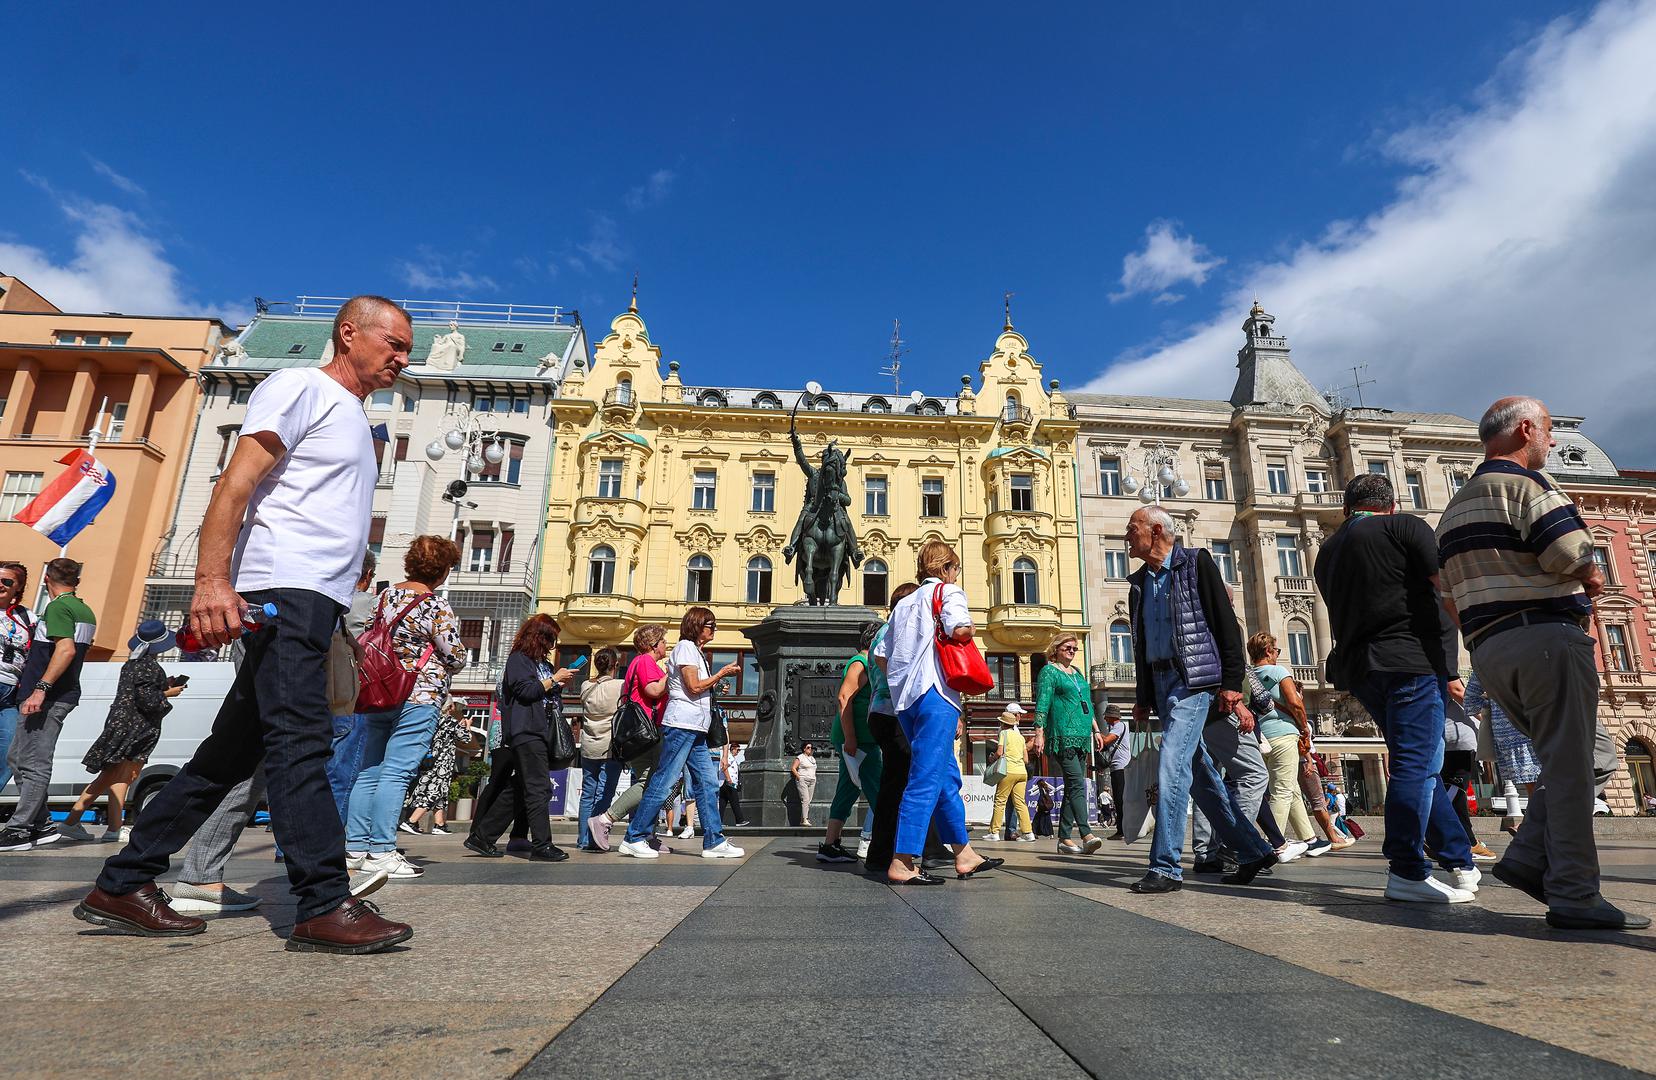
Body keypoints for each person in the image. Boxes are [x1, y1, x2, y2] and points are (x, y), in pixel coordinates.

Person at [78, 295, 415, 952]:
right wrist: (212, 580)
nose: (402, 357)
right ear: (349, 334)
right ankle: (322, 901)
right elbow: (234, 485)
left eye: (407, 348)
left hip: (313, 601)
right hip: (281, 590)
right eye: (393, 343)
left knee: (229, 755)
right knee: (301, 741)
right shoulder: (300, 388)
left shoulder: (353, 415)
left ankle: (122, 882)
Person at [1438, 396, 1647, 931]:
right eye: (1549, 432)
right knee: (1576, 767)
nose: (1552, 442)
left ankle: (1530, 853)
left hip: (1488, 648)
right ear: (1526, 429)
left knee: (1594, 754)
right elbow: (1580, 560)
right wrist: (1589, 584)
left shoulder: (1454, 506)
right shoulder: (1530, 487)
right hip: (1545, 637)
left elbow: (1443, 591)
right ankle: (1575, 893)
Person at [1316, 472, 1478, 904]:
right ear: (1390, 503)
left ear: (1348, 507)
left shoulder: (1327, 552)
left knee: (1420, 760)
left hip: (1361, 670)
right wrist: (1471, 649)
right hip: (1410, 660)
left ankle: (1459, 859)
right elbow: (1445, 589)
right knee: (1418, 765)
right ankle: (1407, 869)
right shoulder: (1405, 526)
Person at [1124, 507, 1278, 894]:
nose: (1128, 536)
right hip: (1160, 685)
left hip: (1193, 682)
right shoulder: (1139, 582)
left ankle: (1166, 867)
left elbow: (1225, 624)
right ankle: (1253, 849)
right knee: (1203, 780)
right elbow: (1139, 644)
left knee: (1172, 766)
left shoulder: (1196, 563)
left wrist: (1231, 682)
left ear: (1156, 531)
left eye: (1133, 529)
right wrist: (1144, 696)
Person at [873, 540, 1001, 885]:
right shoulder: (948, 591)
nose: (956, 573)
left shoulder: (904, 604)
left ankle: (964, 853)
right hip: (937, 693)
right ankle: (902, 860)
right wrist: (970, 629)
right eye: (955, 567)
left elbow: (881, 656)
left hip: (906, 699)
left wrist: (903, 678)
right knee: (925, 778)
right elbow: (959, 630)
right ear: (947, 567)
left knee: (945, 776)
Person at [344, 536, 467, 879]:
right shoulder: (435, 606)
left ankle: (354, 848)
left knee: (370, 769)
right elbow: (453, 656)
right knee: (398, 772)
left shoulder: (382, 597)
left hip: (378, 691)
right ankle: (382, 850)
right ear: (442, 571)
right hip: (419, 695)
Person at [617, 608, 744, 860]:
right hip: (682, 725)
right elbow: (694, 686)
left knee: (707, 783)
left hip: (695, 728)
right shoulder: (685, 647)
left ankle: (713, 841)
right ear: (697, 625)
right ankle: (634, 836)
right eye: (710, 624)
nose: (714, 629)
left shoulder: (695, 651)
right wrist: (720, 674)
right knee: (664, 780)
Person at [1, 558, 97, 852]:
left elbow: (65, 650)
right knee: (17, 758)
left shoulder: (58, 607)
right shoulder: (84, 610)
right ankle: (41, 823)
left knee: (33, 763)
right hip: (52, 695)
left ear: (46, 580)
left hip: (48, 697)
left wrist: (40, 689)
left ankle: (21, 829)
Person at [59, 622, 186, 842]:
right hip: (135, 729)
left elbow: (138, 691)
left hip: (121, 725)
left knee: (121, 777)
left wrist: (162, 687)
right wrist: (169, 693)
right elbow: (148, 701)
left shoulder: (132, 664)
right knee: (113, 776)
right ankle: (71, 821)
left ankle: (113, 828)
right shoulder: (150, 667)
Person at [465, 614, 575, 861]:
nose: (552, 645)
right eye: (550, 639)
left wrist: (555, 684)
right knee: (539, 788)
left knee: (521, 786)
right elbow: (526, 691)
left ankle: (482, 836)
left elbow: (539, 692)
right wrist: (553, 680)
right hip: (526, 730)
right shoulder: (519, 660)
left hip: (537, 730)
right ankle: (542, 845)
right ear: (539, 637)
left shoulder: (536, 662)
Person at [587, 625, 672, 852]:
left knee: (652, 782)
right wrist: (672, 673)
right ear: (653, 645)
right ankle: (605, 819)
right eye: (663, 641)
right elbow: (653, 690)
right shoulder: (645, 661)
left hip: (640, 733)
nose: (666, 645)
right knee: (649, 783)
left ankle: (646, 834)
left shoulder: (639, 662)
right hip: (646, 733)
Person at [1247, 633, 1327, 857]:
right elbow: (1295, 703)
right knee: (1282, 791)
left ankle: (1309, 839)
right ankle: (1271, 845)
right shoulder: (1279, 672)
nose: (1277, 655)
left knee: (1289, 788)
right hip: (1283, 735)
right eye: (1277, 651)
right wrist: (1303, 727)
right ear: (1268, 652)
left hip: (1261, 739)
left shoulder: (1250, 675)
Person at [1029, 633, 1104, 856]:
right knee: (1076, 783)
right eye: (1067, 647)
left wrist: (1096, 729)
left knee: (1074, 786)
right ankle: (1086, 833)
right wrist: (1039, 732)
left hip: (1082, 735)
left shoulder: (1077, 673)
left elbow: (1087, 703)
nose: (1072, 651)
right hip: (1062, 734)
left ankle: (1063, 839)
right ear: (1055, 649)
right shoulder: (1049, 672)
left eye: (1074, 648)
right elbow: (1042, 702)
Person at [819, 625, 885, 863]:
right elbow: (844, 697)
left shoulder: (869, 663)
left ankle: (829, 845)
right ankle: (888, 847)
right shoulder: (861, 662)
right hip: (860, 740)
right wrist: (851, 738)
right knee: (879, 792)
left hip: (860, 739)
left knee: (848, 790)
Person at [326, 551, 380, 822]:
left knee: (309, 767)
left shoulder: (326, 601)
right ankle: (332, 840)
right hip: (350, 692)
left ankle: (286, 844)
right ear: (368, 575)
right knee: (343, 771)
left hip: (316, 689)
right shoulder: (372, 604)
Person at [1465, 670, 1540, 835]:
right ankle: (1535, 826)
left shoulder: (1485, 658)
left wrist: (1495, 704)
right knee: (1550, 781)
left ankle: (1532, 825)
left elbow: (1470, 701)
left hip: (1508, 732)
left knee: (1534, 785)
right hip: (1541, 722)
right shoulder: (1536, 649)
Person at [1441, 677, 1497, 862]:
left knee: (1454, 791)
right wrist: (1488, 718)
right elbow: (1456, 690)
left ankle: (1464, 839)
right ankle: (1467, 841)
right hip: (1458, 741)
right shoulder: (1444, 664)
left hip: (1453, 739)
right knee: (1455, 793)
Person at [575, 647, 624, 851]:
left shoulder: (586, 686)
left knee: (587, 793)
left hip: (588, 745)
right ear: (615, 665)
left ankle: (583, 839)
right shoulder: (620, 686)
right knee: (604, 793)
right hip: (609, 747)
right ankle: (596, 838)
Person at [0, 561, 37, 799]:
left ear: (18, 588)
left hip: (11, 694)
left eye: (6, 581)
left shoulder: (28, 618)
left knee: (9, 754)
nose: (0, 585)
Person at [402, 699, 465, 836]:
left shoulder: (433, 720)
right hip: (443, 762)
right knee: (435, 791)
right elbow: (465, 737)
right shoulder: (449, 721)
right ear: (449, 707)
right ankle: (412, 821)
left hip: (431, 760)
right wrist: (467, 727)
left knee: (441, 792)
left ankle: (439, 824)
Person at [981, 702, 1035, 842]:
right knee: (1020, 803)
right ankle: (1028, 833)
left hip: (1009, 771)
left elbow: (999, 752)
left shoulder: (1004, 733)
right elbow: (1026, 759)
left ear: (1003, 724)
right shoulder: (1021, 737)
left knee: (1000, 801)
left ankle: (994, 832)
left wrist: (992, 758)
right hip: (1022, 773)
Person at [1098, 704, 1130, 840]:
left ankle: (1122, 831)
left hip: (1120, 768)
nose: (1104, 718)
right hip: (1117, 768)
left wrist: (1096, 733)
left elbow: (1106, 740)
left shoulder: (1119, 726)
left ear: (1112, 716)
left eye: (1106, 716)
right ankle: (1121, 829)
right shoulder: (1116, 727)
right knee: (1118, 800)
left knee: (1120, 799)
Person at [719, 742, 748, 826]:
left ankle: (719, 821)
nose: (738, 752)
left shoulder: (732, 758)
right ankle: (739, 820)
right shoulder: (729, 757)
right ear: (733, 749)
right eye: (737, 750)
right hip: (728, 782)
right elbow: (724, 767)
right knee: (734, 801)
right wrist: (728, 779)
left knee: (722, 803)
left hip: (724, 783)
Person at [791, 742, 819, 826]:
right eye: (808, 747)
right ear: (804, 749)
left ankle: (803, 819)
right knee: (805, 799)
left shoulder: (812, 759)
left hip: (812, 780)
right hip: (803, 780)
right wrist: (799, 777)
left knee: (808, 801)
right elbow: (793, 768)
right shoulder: (800, 757)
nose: (810, 749)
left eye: (811, 747)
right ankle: (805, 819)